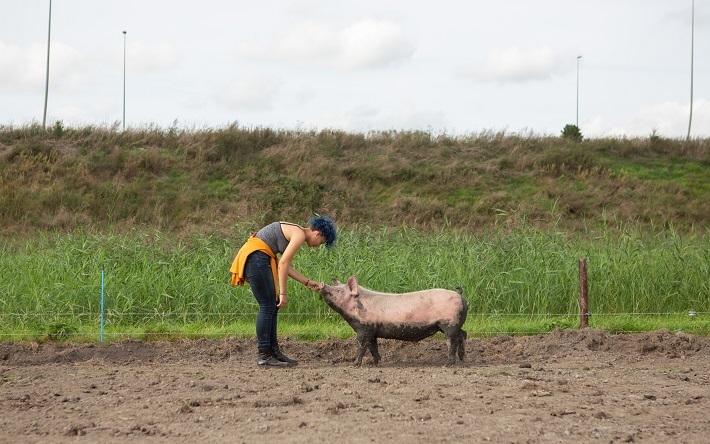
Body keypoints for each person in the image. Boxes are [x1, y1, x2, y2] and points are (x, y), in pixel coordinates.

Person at [230, 216, 337, 367]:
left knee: (271, 306)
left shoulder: (296, 231)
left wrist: (306, 281)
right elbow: (283, 264)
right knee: (267, 307)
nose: (319, 246)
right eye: (322, 242)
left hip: (259, 258)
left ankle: (273, 352)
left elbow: (284, 264)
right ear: (318, 233)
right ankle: (264, 356)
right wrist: (283, 294)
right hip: (256, 258)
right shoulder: (299, 234)